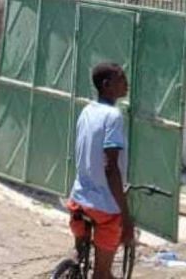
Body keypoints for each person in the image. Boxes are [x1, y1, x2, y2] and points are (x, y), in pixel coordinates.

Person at [68, 62, 134, 279]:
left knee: (81, 259)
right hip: (104, 207)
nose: (126, 83)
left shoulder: (87, 111)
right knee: (102, 274)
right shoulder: (113, 116)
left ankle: (75, 264)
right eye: (121, 79)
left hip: (78, 200)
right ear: (107, 85)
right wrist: (126, 216)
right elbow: (110, 167)